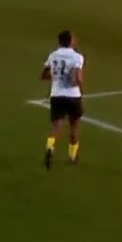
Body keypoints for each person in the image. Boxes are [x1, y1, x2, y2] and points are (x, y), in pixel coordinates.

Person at [41, 29, 85, 170]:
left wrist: (56, 77)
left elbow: (44, 75)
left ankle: (50, 146)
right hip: (73, 96)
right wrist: (78, 82)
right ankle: (72, 157)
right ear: (70, 41)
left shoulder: (53, 55)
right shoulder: (77, 57)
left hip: (57, 95)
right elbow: (79, 79)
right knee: (74, 127)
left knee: (56, 127)